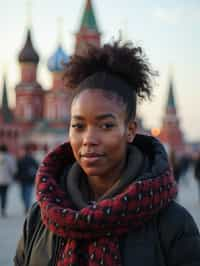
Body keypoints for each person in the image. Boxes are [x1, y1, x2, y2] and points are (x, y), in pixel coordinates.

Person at [14, 41, 200, 266]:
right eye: (78, 126)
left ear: (130, 130)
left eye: (106, 126)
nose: (89, 139)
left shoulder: (172, 224)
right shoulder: (39, 218)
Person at [15, 144, 39, 214]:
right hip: (26, 179)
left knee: (25, 194)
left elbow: (37, 168)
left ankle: (26, 206)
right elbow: (18, 169)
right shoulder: (24, 159)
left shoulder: (30, 159)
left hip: (27, 179)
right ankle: (26, 205)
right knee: (25, 194)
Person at [0, 144, 17, 217]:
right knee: (4, 195)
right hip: (6, 179)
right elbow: (14, 169)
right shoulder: (10, 157)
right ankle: (3, 209)